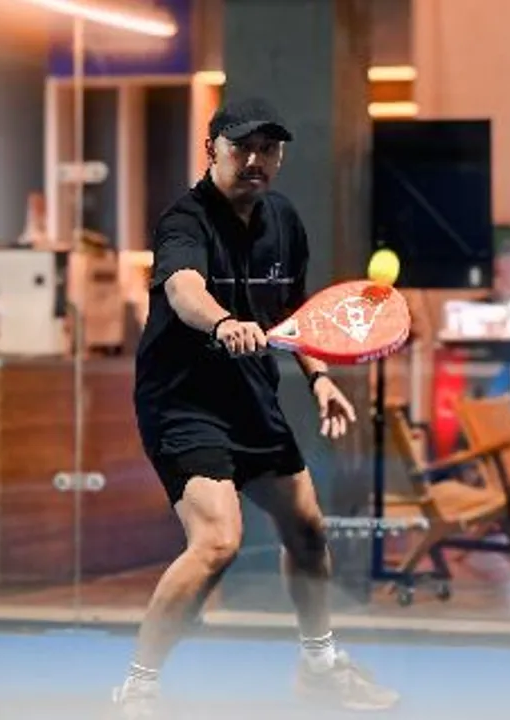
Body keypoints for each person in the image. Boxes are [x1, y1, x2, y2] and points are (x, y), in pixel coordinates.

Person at [116, 97, 399, 717]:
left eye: (268, 149)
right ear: (211, 150)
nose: (255, 160)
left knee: (308, 529)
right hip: (183, 404)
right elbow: (184, 289)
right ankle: (139, 687)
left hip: (250, 397)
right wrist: (222, 323)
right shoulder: (184, 221)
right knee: (218, 541)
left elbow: (295, 312)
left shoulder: (283, 220)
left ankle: (319, 668)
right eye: (241, 147)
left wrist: (320, 377)